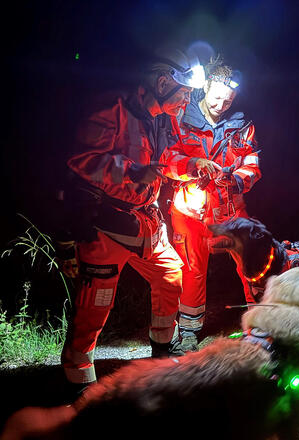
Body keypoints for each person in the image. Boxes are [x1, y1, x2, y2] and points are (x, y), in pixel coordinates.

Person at [56, 47, 206, 390]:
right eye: (182, 91)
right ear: (163, 81)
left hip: (147, 223)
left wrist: (190, 167)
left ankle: (161, 358)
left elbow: (165, 162)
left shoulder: (165, 118)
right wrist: (132, 172)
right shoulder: (112, 108)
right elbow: (83, 160)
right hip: (106, 225)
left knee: (171, 278)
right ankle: (79, 383)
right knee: (95, 307)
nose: (185, 99)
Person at [164, 56, 261, 351]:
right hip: (190, 212)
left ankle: (260, 326)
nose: (221, 105)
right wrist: (194, 164)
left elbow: (252, 164)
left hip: (232, 211)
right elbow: (165, 160)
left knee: (251, 264)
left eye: (228, 101)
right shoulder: (179, 119)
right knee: (192, 271)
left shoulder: (243, 125)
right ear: (206, 87)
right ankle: (189, 333)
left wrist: (236, 179)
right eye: (217, 98)